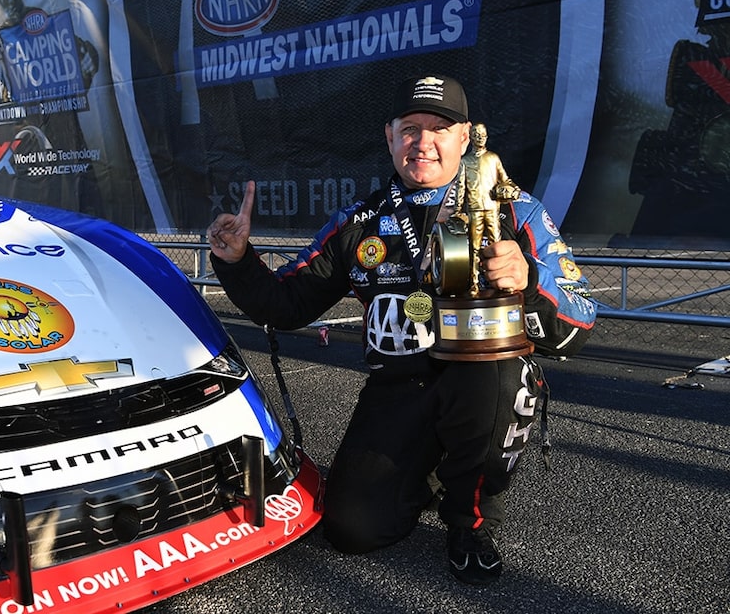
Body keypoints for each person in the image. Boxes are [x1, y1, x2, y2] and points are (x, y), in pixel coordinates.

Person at [206, 74, 596, 585]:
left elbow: (581, 319)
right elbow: (286, 305)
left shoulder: (513, 210)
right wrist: (237, 261)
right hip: (398, 388)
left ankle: (470, 519)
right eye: (410, 129)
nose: (423, 143)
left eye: (440, 129)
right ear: (389, 137)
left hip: (481, 383)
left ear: (465, 138)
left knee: (498, 380)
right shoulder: (359, 222)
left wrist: (530, 285)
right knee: (353, 531)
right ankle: (428, 468)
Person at [455, 122, 521, 295]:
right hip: (474, 209)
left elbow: (505, 179)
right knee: (474, 248)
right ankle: (474, 283)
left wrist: (513, 190)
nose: (480, 138)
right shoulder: (464, 161)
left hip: (492, 208)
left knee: (496, 245)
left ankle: (500, 283)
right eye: (476, 135)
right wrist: (457, 210)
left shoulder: (493, 158)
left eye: (483, 135)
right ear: (470, 137)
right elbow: (461, 188)